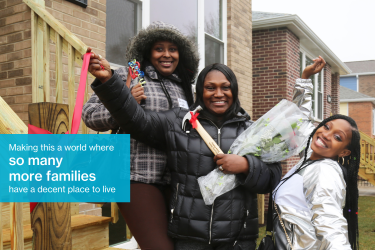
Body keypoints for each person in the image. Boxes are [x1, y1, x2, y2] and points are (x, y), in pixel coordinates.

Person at [86, 59, 282, 249]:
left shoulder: (253, 131)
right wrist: (109, 81)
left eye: (225, 87)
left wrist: (246, 166)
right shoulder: (179, 122)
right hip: (191, 237)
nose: (218, 94)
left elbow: (272, 177)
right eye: (210, 87)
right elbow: (136, 120)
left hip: (239, 239)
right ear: (200, 92)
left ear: (234, 90)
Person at [82, 21, 199, 250]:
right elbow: (90, 116)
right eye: (159, 48)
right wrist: (126, 103)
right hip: (135, 175)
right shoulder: (128, 75)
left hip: (177, 181)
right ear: (147, 51)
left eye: (172, 49)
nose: (167, 55)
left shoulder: (186, 88)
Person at [272, 57, 359, 250]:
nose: (326, 134)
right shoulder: (309, 159)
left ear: (344, 151)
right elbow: (299, 119)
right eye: (326, 126)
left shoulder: (325, 171)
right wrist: (305, 78)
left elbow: (330, 223)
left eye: (337, 137)